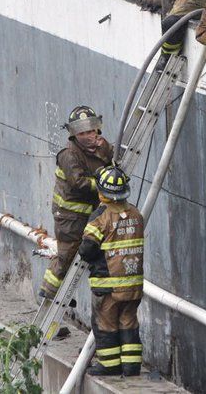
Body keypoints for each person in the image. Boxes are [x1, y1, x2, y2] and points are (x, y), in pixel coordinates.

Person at [39, 106, 115, 301]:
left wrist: (103, 147)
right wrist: (104, 184)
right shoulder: (69, 155)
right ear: (74, 134)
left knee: (96, 249)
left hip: (89, 213)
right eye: (82, 133)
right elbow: (78, 183)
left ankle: (96, 289)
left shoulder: (100, 147)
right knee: (67, 255)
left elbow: (109, 158)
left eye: (91, 131)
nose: (88, 136)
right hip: (69, 216)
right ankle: (50, 293)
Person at [80, 166, 145, 377]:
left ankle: (109, 365)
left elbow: (88, 250)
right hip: (133, 284)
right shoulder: (136, 214)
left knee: (105, 324)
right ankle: (131, 366)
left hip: (108, 284)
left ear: (102, 192)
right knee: (128, 322)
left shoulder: (100, 217)